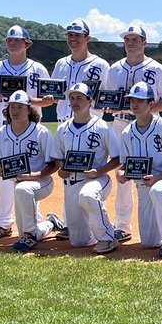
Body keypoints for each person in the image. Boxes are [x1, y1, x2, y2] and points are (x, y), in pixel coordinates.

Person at [101, 25, 162, 244]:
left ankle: (160, 222)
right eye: (127, 39)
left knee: (148, 173)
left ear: (145, 42)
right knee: (123, 175)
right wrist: (108, 106)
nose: (131, 43)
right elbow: (107, 98)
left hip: (150, 126)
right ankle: (122, 225)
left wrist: (145, 111)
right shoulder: (114, 68)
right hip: (121, 125)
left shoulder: (157, 68)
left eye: (136, 39)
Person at [0, 25, 53, 239]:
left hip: (31, 129)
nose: (12, 43)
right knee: (5, 176)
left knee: (28, 176)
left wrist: (24, 101)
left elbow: (50, 100)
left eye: (17, 40)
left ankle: (38, 220)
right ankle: (3, 223)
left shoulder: (38, 69)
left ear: (27, 44)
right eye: (9, 40)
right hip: (4, 127)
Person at [49, 82, 122, 253]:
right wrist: (61, 169)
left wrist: (100, 171)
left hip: (97, 179)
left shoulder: (102, 126)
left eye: (80, 98)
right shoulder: (63, 129)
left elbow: (118, 158)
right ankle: (62, 225)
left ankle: (108, 237)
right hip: (71, 183)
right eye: (72, 98)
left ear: (90, 101)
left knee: (88, 195)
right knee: (79, 242)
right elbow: (58, 158)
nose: (75, 101)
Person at [115, 80, 162, 259]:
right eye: (132, 101)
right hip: (143, 184)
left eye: (139, 100)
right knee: (149, 243)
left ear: (151, 104)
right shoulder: (127, 133)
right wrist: (121, 173)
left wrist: (159, 177)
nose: (134, 104)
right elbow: (125, 164)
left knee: (159, 191)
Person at [0, 90, 63, 252]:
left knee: (23, 189)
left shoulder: (41, 132)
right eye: (12, 107)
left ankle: (30, 237)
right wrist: (3, 171)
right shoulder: (1, 133)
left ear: (29, 110)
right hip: (17, 183)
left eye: (20, 107)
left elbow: (54, 164)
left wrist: (33, 175)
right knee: (22, 228)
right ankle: (50, 224)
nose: (15, 111)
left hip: (42, 182)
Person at [50, 18, 110, 128]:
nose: (72, 38)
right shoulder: (61, 63)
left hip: (91, 125)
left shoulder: (101, 65)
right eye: (70, 35)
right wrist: (49, 97)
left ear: (87, 38)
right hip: (63, 124)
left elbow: (106, 97)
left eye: (77, 35)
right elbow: (55, 96)